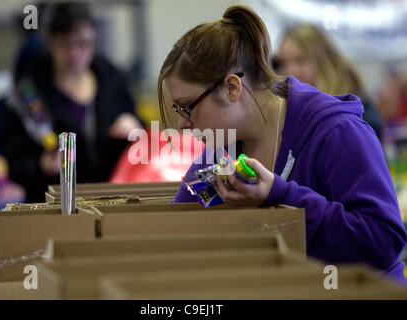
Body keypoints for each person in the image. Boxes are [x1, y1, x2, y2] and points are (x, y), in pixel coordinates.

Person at [159, 5, 407, 284]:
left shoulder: (336, 131)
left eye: (186, 108)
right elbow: (175, 228)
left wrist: (281, 194)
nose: (182, 124)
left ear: (231, 88)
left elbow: (384, 241)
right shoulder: (224, 147)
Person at [5, 1, 142, 202]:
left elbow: (141, 140)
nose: (75, 53)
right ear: (50, 42)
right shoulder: (29, 92)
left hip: (112, 199)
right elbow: (14, 165)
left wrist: (134, 129)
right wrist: (40, 166)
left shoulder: (112, 81)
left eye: (83, 43)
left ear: (94, 40)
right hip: (52, 204)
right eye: (65, 44)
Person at [276, 23, 383, 140]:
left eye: (300, 60)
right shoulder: (288, 109)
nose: (291, 71)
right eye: (284, 63)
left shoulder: (354, 106)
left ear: (323, 60)